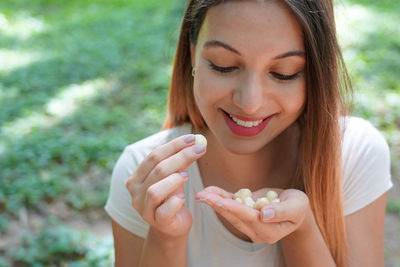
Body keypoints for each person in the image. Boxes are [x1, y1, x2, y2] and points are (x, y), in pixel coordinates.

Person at [105, 0, 393, 266]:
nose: (250, 103)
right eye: (224, 66)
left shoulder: (353, 152)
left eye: (284, 72)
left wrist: (300, 229)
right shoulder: (146, 175)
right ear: (193, 53)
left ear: (316, 72)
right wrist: (166, 235)